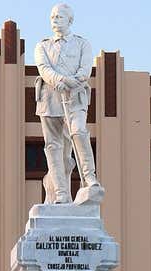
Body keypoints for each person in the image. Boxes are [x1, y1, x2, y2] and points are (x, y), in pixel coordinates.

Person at [34, 3, 100, 204]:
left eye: (59, 17)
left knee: (78, 132)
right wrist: (59, 81)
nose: (55, 20)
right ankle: (61, 194)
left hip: (75, 98)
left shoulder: (82, 44)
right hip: (49, 100)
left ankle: (90, 179)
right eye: (52, 16)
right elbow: (43, 68)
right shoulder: (42, 46)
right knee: (54, 147)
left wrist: (70, 82)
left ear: (70, 20)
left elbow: (85, 70)